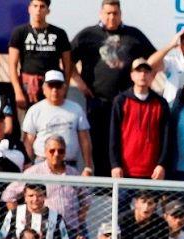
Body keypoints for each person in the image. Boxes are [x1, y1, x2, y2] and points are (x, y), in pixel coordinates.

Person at [70, 0, 155, 175]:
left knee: (123, 144)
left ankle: (122, 190)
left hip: (126, 104)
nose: (111, 17)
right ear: (101, 13)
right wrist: (80, 83)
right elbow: (66, 60)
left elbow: (154, 59)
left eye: (115, 13)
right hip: (97, 103)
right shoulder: (87, 35)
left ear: (120, 14)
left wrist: (145, 81)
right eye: (108, 13)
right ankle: (103, 192)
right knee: (99, 145)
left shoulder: (134, 35)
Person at [21, 71, 93, 175]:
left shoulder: (76, 109)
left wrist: (88, 167)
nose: (54, 90)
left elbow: (85, 140)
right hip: (42, 164)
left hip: (69, 165)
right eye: (51, 86)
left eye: (58, 86)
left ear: (64, 88)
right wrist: (27, 166)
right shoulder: (35, 110)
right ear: (44, 89)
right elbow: (28, 142)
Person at [108, 59, 169, 181]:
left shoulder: (161, 103)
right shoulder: (121, 101)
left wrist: (162, 164)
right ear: (132, 75)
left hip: (152, 173)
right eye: (138, 71)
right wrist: (115, 164)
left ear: (152, 76)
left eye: (146, 71)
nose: (143, 75)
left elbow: (166, 138)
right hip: (125, 171)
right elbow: (114, 135)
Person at [8, 0, 75, 109]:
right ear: (29, 9)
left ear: (48, 11)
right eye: (35, 6)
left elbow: (67, 65)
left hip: (53, 84)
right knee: (29, 121)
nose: (38, 10)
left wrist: (65, 87)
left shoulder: (59, 33)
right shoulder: (19, 32)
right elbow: (12, 65)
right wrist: (18, 92)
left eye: (42, 6)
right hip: (29, 86)